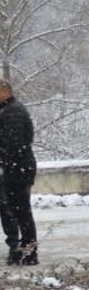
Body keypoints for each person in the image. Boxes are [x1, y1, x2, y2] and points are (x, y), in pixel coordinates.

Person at [0, 78, 37, 265]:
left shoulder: (12, 112)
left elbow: (14, 143)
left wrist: (4, 158)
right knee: (17, 211)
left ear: (5, 92)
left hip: (18, 168)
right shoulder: (10, 110)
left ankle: (28, 252)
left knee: (21, 212)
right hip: (18, 166)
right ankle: (24, 250)